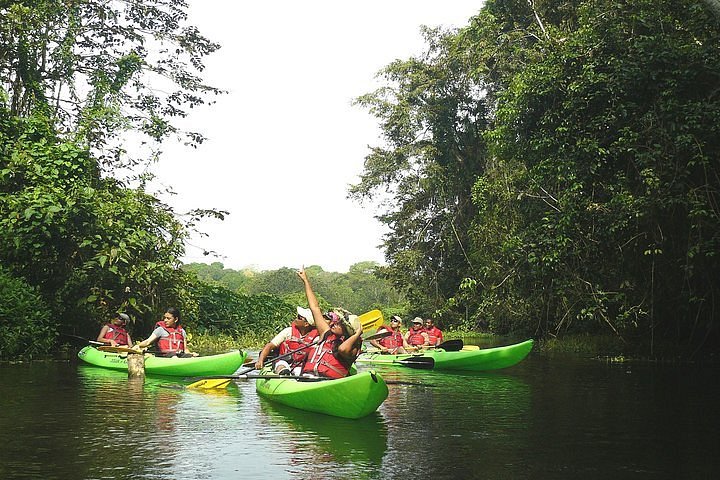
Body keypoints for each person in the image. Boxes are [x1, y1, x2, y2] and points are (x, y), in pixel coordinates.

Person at [297, 267, 363, 378]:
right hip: (308, 378)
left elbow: (342, 349)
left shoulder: (353, 348)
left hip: (329, 383)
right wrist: (305, 280)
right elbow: (315, 308)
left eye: (340, 324)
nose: (335, 323)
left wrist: (357, 334)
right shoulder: (326, 333)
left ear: (347, 331)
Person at [254, 306, 319, 375]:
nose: (296, 319)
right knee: (282, 366)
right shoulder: (288, 331)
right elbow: (270, 346)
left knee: (300, 372)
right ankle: (284, 374)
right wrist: (260, 360)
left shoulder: (316, 338)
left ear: (306, 324)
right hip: (283, 362)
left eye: (299, 317)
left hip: (300, 366)